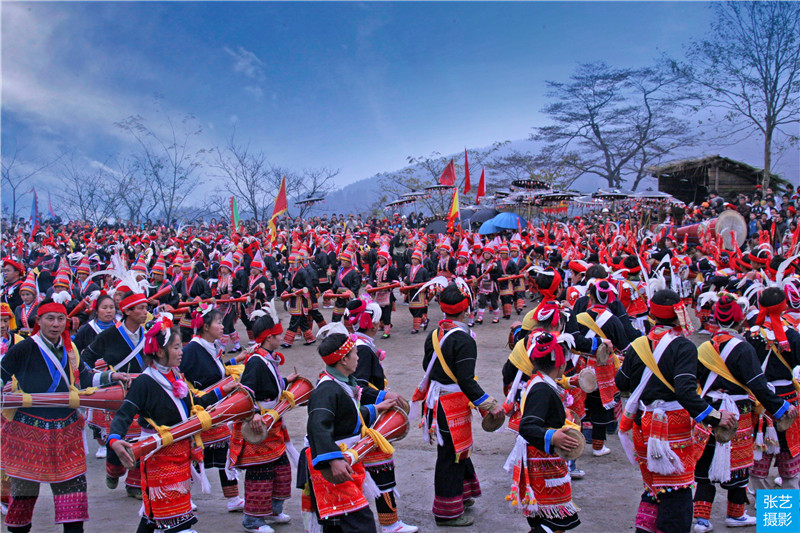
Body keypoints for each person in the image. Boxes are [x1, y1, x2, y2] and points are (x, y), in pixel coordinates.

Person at [615, 289, 737, 533]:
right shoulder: (684, 347)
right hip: (673, 425)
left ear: (652, 314)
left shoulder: (639, 345)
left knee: (653, 486)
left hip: (644, 422)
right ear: (679, 314)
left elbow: (622, 383)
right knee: (677, 490)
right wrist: (715, 416)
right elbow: (685, 391)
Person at [1, 299, 127, 533]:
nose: (56, 324)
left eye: (61, 319)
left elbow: (85, 379)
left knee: (73, 494)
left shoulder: (70, 349)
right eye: (50, 319)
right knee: (24, 497)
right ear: (38, 321)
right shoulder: (24, 348)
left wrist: (112, 378)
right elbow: (2, 375)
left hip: (66, 428)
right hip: (29, 431)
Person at [108, 314, 237, 533]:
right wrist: (114, 440)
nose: (181, 352)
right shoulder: (145, 382)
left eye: (180, 347)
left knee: (155, 518)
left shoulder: (174, 375)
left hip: (180, 457)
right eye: (176, 348)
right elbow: (124, 414)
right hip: (158, 457)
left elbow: (193, 403)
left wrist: (221, 392)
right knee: (173, 520)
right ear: (159, 351)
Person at [691, 294, 797, 532]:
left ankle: (702, 519)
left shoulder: (706, 347)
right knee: (755, 466)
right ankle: (760, 519)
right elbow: (758, 384)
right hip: (749, 409)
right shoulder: (755, 343)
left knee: (707, 464)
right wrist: (781, 408)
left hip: (711, 409)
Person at [416, 283, 504, 526]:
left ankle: (461, 497)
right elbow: (466, 379)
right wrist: (489, 404)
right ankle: (446, 513)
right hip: (450, 403)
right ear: (466, 309)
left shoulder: (435, 334)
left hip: (438, 401)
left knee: (457, 451)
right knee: (450, 456)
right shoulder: (464, 340)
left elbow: (428, 367)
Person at [298, 323, 399, 533]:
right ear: (343, 359)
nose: (358, 358)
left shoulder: (341, 384)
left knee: (339, 526)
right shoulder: (326, 390)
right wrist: (333, 460)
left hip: (344, 461)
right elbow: (318, 427)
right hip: (334, 465)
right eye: (354, 353)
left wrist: (376, 408)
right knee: (360, 525)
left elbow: (346, 417)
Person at [345, 299, 417, 533]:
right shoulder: (363, 350)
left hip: (361, 417)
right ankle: (390, 523)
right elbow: (360, 388)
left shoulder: (356, 344)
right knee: (381, 468)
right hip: (369, 419)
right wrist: (386, 396)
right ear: (373, 324)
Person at [229, 307, 298, 533]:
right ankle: (253, 521)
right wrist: (254, 414)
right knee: (261, 473)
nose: (282, 337)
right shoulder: (256, 362)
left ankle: (273, 510)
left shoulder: (266, 358)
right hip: (259, 425)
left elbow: (270, 387)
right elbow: (246, 393)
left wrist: (286, 382)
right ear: (269, 338)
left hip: (273, 423)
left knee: (281, 470)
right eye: (278, 335)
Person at [505, 331, 581, 533]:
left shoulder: (540, 382)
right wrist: (552, 436)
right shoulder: (541, 389)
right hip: (543, 462)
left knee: (549, 523)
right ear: (561, 364)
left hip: (544, 460)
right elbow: (528, 426)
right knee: (552, 524)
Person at [82, 287, 150, 498]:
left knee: (141, 437)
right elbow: (85, 360)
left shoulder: (150, 333)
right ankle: (114, 469)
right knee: (117, 439)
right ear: (128, 311)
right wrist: (105, 378)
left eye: (146, 308)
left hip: (143, 394)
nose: (145, 312)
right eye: (140, 308)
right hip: (117, 395)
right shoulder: (109, 335)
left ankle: (134, 483)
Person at [179, 306, 244, 513]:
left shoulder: (211, 346)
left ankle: (233, 498)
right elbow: (179, 378)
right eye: (218, 322)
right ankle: (183, 498)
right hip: (198, 409)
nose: (222, 326)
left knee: (225, 452)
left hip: (216, 409)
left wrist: (237, 361)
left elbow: (217, 371)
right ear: (205, 327)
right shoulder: (190, 350)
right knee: (189, 456)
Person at [744, 287, 800, 493]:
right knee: (790, 455)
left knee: (760, 453)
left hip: (759, 401)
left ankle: (763, 502)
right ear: (784, 306)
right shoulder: (793, 335)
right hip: (788, 400)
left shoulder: (750, 335)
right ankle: (786, 509)